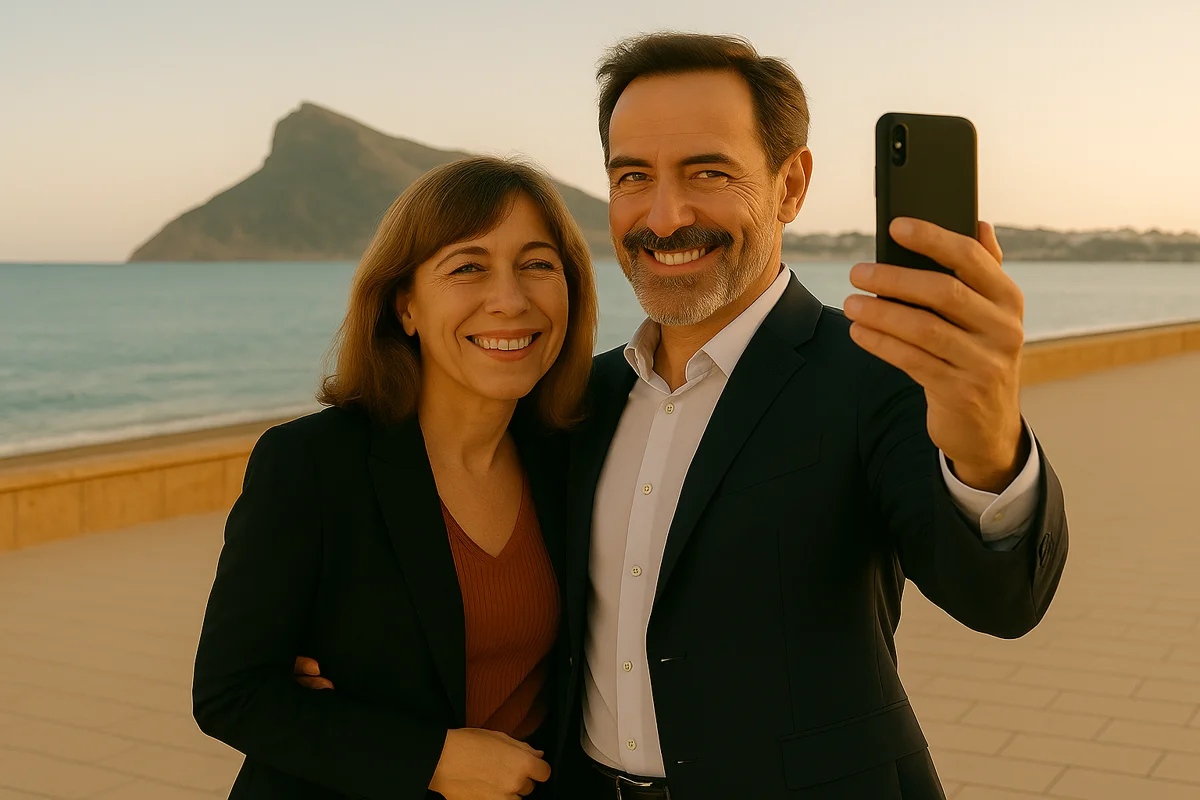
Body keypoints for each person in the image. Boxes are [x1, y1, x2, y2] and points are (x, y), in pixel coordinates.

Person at [548, 33, 1069, 799]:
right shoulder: (575, 401)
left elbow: (1003, 601)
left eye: (708, 171)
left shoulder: (876, 373)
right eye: (633, 176)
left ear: (791, 185)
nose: (663, 215)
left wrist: (988, 443)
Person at [191, 156, 599, 799]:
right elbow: (230, 694)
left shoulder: (574, 453)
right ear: (404, 306)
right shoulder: (311, 465)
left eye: (537, 264)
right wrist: (432, 759)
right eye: (467, 267)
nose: (509, 299)